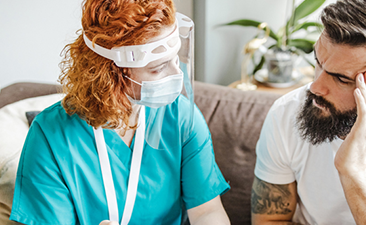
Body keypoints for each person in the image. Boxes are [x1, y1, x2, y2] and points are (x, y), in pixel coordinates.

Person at [9, 0, 230, 224]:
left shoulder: (180, 117)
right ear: (112, 73)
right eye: (157, 68)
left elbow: (207, 211)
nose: (176, 75)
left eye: (174, 61)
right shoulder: (51, 137)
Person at [251, 0, 366, 224]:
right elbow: (268, 221)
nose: (315, 87)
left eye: (341, 79)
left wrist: (352, 168)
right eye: (318, 63)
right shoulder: (285, 113)